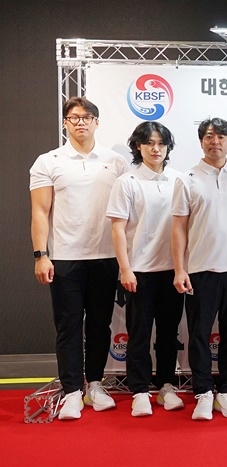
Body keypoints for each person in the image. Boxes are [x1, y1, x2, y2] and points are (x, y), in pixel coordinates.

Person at [30, 96, 128, 420]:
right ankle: (72, 390)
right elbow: (40, 212)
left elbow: (127, 213)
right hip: (65, 258)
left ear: (97, 122)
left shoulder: (116, 162)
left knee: (100, 325)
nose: (80, 122)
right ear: (65, 123)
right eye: (74, 117)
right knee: (69, 326)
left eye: (87, 117)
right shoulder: (48, 161)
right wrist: (41, 255)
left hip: (106, 257)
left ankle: (95, 385)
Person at [171, 117, 227, 421]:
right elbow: (178, 227)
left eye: (221, 137)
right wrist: (180, 268)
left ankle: (226, 391)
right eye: (209, 136)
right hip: (200, 269)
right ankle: (203, 392)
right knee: (199, 333)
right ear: (201, 142)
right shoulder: (187, 179)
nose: (215, 141)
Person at [106, 122, 185, 417]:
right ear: (138, 146)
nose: (156, 149)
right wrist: (125, 269)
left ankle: (166, 385)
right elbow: (118, 228)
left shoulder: (179, 179)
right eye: (150, 143)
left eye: (161, 143)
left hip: (173, 270)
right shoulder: (127, 182)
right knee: (138, 334)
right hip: (138, 271)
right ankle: (139, 390)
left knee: (168, 333)